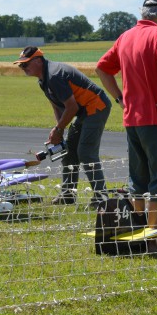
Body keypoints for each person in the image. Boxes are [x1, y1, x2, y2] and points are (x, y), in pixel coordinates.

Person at [96, 0, 157, 234]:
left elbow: (102, 68)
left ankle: (136, 229)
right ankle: (154, 237)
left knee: (138, 179)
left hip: (132, 120)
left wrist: (119, 98)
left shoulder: (125, 37)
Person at [14, 46, 111, 205]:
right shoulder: (43, 79)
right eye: (20, 65)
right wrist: (59, 131)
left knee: (86, 152)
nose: (23, 68)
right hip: (83, 111)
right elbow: (58, 106)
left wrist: (58, 130)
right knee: (68, 152)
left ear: (38, 61)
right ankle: (67, 195)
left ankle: (101, 197)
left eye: (25, 64)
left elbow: (71, 107)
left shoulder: (54, 76)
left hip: (96, 106)